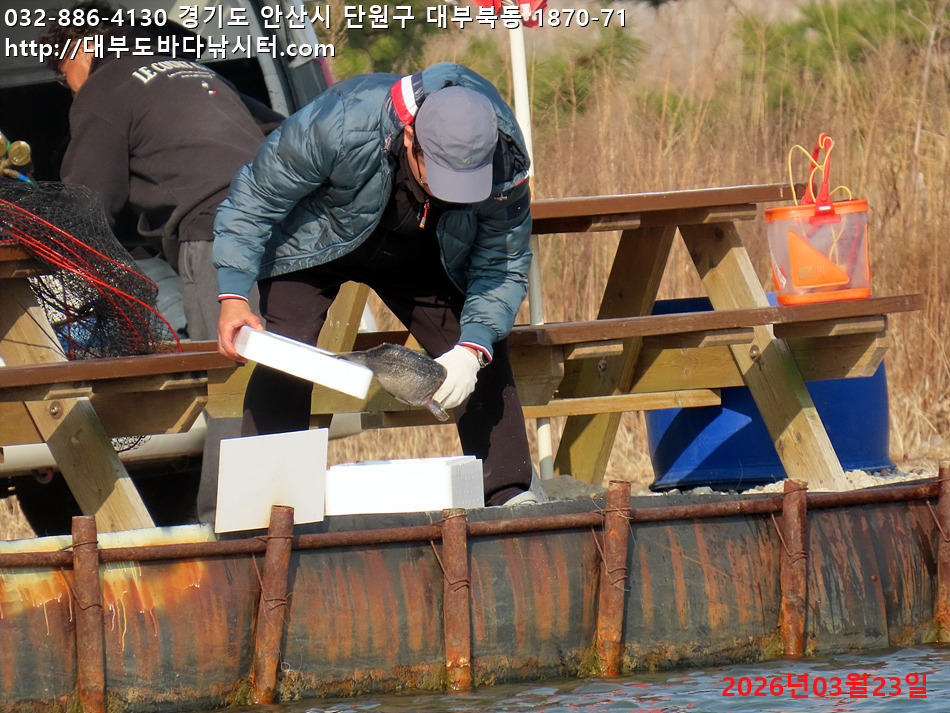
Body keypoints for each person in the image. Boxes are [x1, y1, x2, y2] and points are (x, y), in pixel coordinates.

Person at [214, 63, 539, 506]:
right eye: (439, 176)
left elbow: (502, 263)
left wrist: (473, 349)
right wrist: (233, 295)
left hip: (422, 250)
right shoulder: (342, 122)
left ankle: (509, 496)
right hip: (317, 237)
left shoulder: (505, 160)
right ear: (410, 138)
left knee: (479, 347)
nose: (449, 193)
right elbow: (253, 197)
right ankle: (264, 505)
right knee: (287, 353)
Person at [40, 0, 279, 523]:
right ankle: (282, 515)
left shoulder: (104, 87)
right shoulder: (192, 70)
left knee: (232, 383)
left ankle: (229, 528)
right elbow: (278, 128)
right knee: (277, 379)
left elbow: (87, 204)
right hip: (281, 226)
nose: (68, 86)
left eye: (62, 71)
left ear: (83, 47)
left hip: (214, 237)